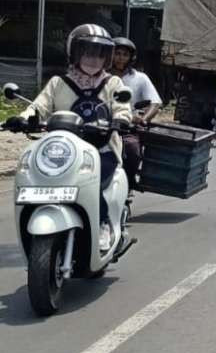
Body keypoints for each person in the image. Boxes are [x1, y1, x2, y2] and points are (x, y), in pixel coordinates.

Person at [5, 24, 132, 251]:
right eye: (88, 52)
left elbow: (122, 107)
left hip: (101, 150)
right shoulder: (58, 83)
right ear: (74, 52)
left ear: (107, 57)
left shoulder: (113, 83)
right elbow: (38, 107)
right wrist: (23, 118)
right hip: (61, 151)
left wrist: (121, 120)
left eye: (100, 54)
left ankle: (103, 224)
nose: (94, 59)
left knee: (95, 185)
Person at [110, 36, 162, 185]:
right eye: (117, 53)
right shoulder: (101, 76)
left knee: (132, 150)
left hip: (127, 127)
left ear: (131, 58)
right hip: (101, 124)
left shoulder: (140, 78)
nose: (120, 58)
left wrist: (143, 119)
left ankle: (128, 181)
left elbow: (155, 102)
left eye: (124, 55)